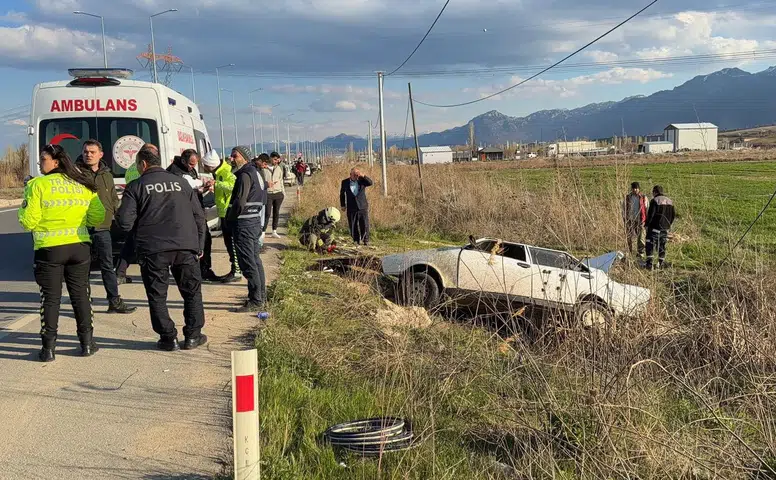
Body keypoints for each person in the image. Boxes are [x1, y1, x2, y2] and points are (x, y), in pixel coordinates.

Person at [18, 144, 106, 362]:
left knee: (50, 299)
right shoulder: (82, 184)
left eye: (43, 159)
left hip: (50, 250)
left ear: (56, 162)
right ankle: (87, 343)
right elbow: (97, 216)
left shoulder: (37, 185)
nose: (40, 163)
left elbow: (28, 221)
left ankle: (48, 349)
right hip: (79, 248)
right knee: (81, 296)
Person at [116, 147, 208, 351]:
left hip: (153, 249)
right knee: (192, 292)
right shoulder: (182, 183)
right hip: (185, 246)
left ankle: (168, 338)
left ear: (143, 164)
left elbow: (124, 223)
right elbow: (199, 216)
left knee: (157, 295)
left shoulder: (136, 186)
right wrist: (199, 245)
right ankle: (193, 336)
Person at [76, 140, 136, 314]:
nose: (88, 155)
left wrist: (120, 217)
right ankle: (84, 304)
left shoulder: (106, 174)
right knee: (82, 269)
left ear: (100, 154)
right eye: (86, 152)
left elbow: (113, 199)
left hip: (103, 228)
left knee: (107, 266)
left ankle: (114, 301)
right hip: (82, 228)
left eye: (92, 152)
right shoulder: (76, 174)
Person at [226, 146, 267, 313]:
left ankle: (256, 300)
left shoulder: (244, 175)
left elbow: (240, 202)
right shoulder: (255, 172)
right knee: (255, 260)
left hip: (244, 223)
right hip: (254, 221)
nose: (231, 159)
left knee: (248, 262)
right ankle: (261, 296)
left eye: (234, 156)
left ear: (244, 157)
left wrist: (230, 219)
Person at [167, 149, 218, 281]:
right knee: (192, 242)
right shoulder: (175, 171)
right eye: (191, 164)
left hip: (196, 208)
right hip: (186, 212)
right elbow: (187, 184)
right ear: (183, 160)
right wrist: (203, 183)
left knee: (205, 239)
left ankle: (204, 269)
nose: (192, 167)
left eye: (194, 164)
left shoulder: (188, 169)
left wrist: (202, 189)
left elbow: (192, 190)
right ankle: (194, 272)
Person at [115, 144, 154, 284]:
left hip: (134, 210)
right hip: (143, 210)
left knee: (130, 244)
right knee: (133, 244)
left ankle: (119, 273)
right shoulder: (141, 170)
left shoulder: (132, 168)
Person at [202, 149, 240, 281]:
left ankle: (237, 271)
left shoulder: (226, 171)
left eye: (205, 165)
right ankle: (234, 269)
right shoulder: (218, 172)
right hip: (223, 212)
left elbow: (233, 187)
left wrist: (217, 184)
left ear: (211, 165)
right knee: (228, 242)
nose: (204, 167)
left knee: (232, 243)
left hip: (229, 211)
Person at [645, 185, 676, 270]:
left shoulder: (655, 200)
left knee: (650, 243)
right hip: (665, 228)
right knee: (662, 245)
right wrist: (668, 224)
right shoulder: (670, 201)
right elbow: (673, 215)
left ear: (655, 192)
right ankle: (661, 263)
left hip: (655, 227)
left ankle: (649, 264)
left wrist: (647, 225)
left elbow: (651, 215)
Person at [340, 167, 373, 246]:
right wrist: (343, 205)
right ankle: (356, 240)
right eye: (354, 174)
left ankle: (365, 240)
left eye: (357, 174)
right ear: (350, 174)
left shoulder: (362, 181)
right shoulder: (345, 182)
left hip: (362, 206)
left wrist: (363, 175)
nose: (356, 176)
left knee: (364, 224)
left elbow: (370, 183)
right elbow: (342, 194)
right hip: (351, 207)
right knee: (353, 224)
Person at [262, 151, 286, 239]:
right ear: (271, 158)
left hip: (278, 193)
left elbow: (281, 180)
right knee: (267, 213)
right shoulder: (264, 168)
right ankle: (263, 231)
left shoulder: (279, 168)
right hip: (268, 193)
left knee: (276, 213)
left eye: (277, 160)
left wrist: (283, 193)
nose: (276, 161)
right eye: (275, 159)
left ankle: (274, 231)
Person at [622, 181, 647, 260]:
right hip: (630, 219)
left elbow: (647, 208)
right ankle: (629, 252)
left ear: (639, 189)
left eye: (636, 188)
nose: (635, 190)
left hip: (640, 220)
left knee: (641, 237)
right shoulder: (628, 197)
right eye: (633, 188)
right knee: (628, 236)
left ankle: (640, 253)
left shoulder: (643, 197)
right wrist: (624, 218)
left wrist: (646, 220)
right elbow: (623, 208)